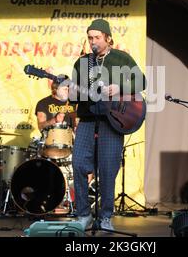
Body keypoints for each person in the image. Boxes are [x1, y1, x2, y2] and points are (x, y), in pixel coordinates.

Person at [69, 19, 146, 231]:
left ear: (108, 38)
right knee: (78, 165)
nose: (93, 41)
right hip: (87, 120)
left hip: (112, 122)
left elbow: (142, 82)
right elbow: (75, 97)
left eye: (97, 37)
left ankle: (105, 217)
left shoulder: (121, 58)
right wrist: (68, 91)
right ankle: (84, 214)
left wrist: (118, 87)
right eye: (90, 38)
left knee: (108, 169)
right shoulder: (82, 63)